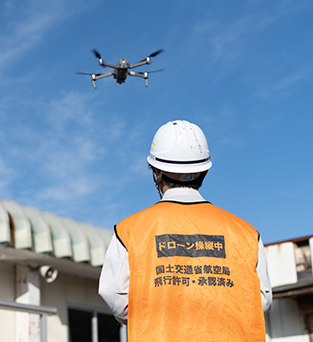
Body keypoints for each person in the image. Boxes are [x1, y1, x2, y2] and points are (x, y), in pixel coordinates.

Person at [99, 120, 272, 341]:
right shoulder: (246, 233)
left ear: (156, 172)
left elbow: (118, 302)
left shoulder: (129, 230)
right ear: (204, 172)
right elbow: (261, 303)